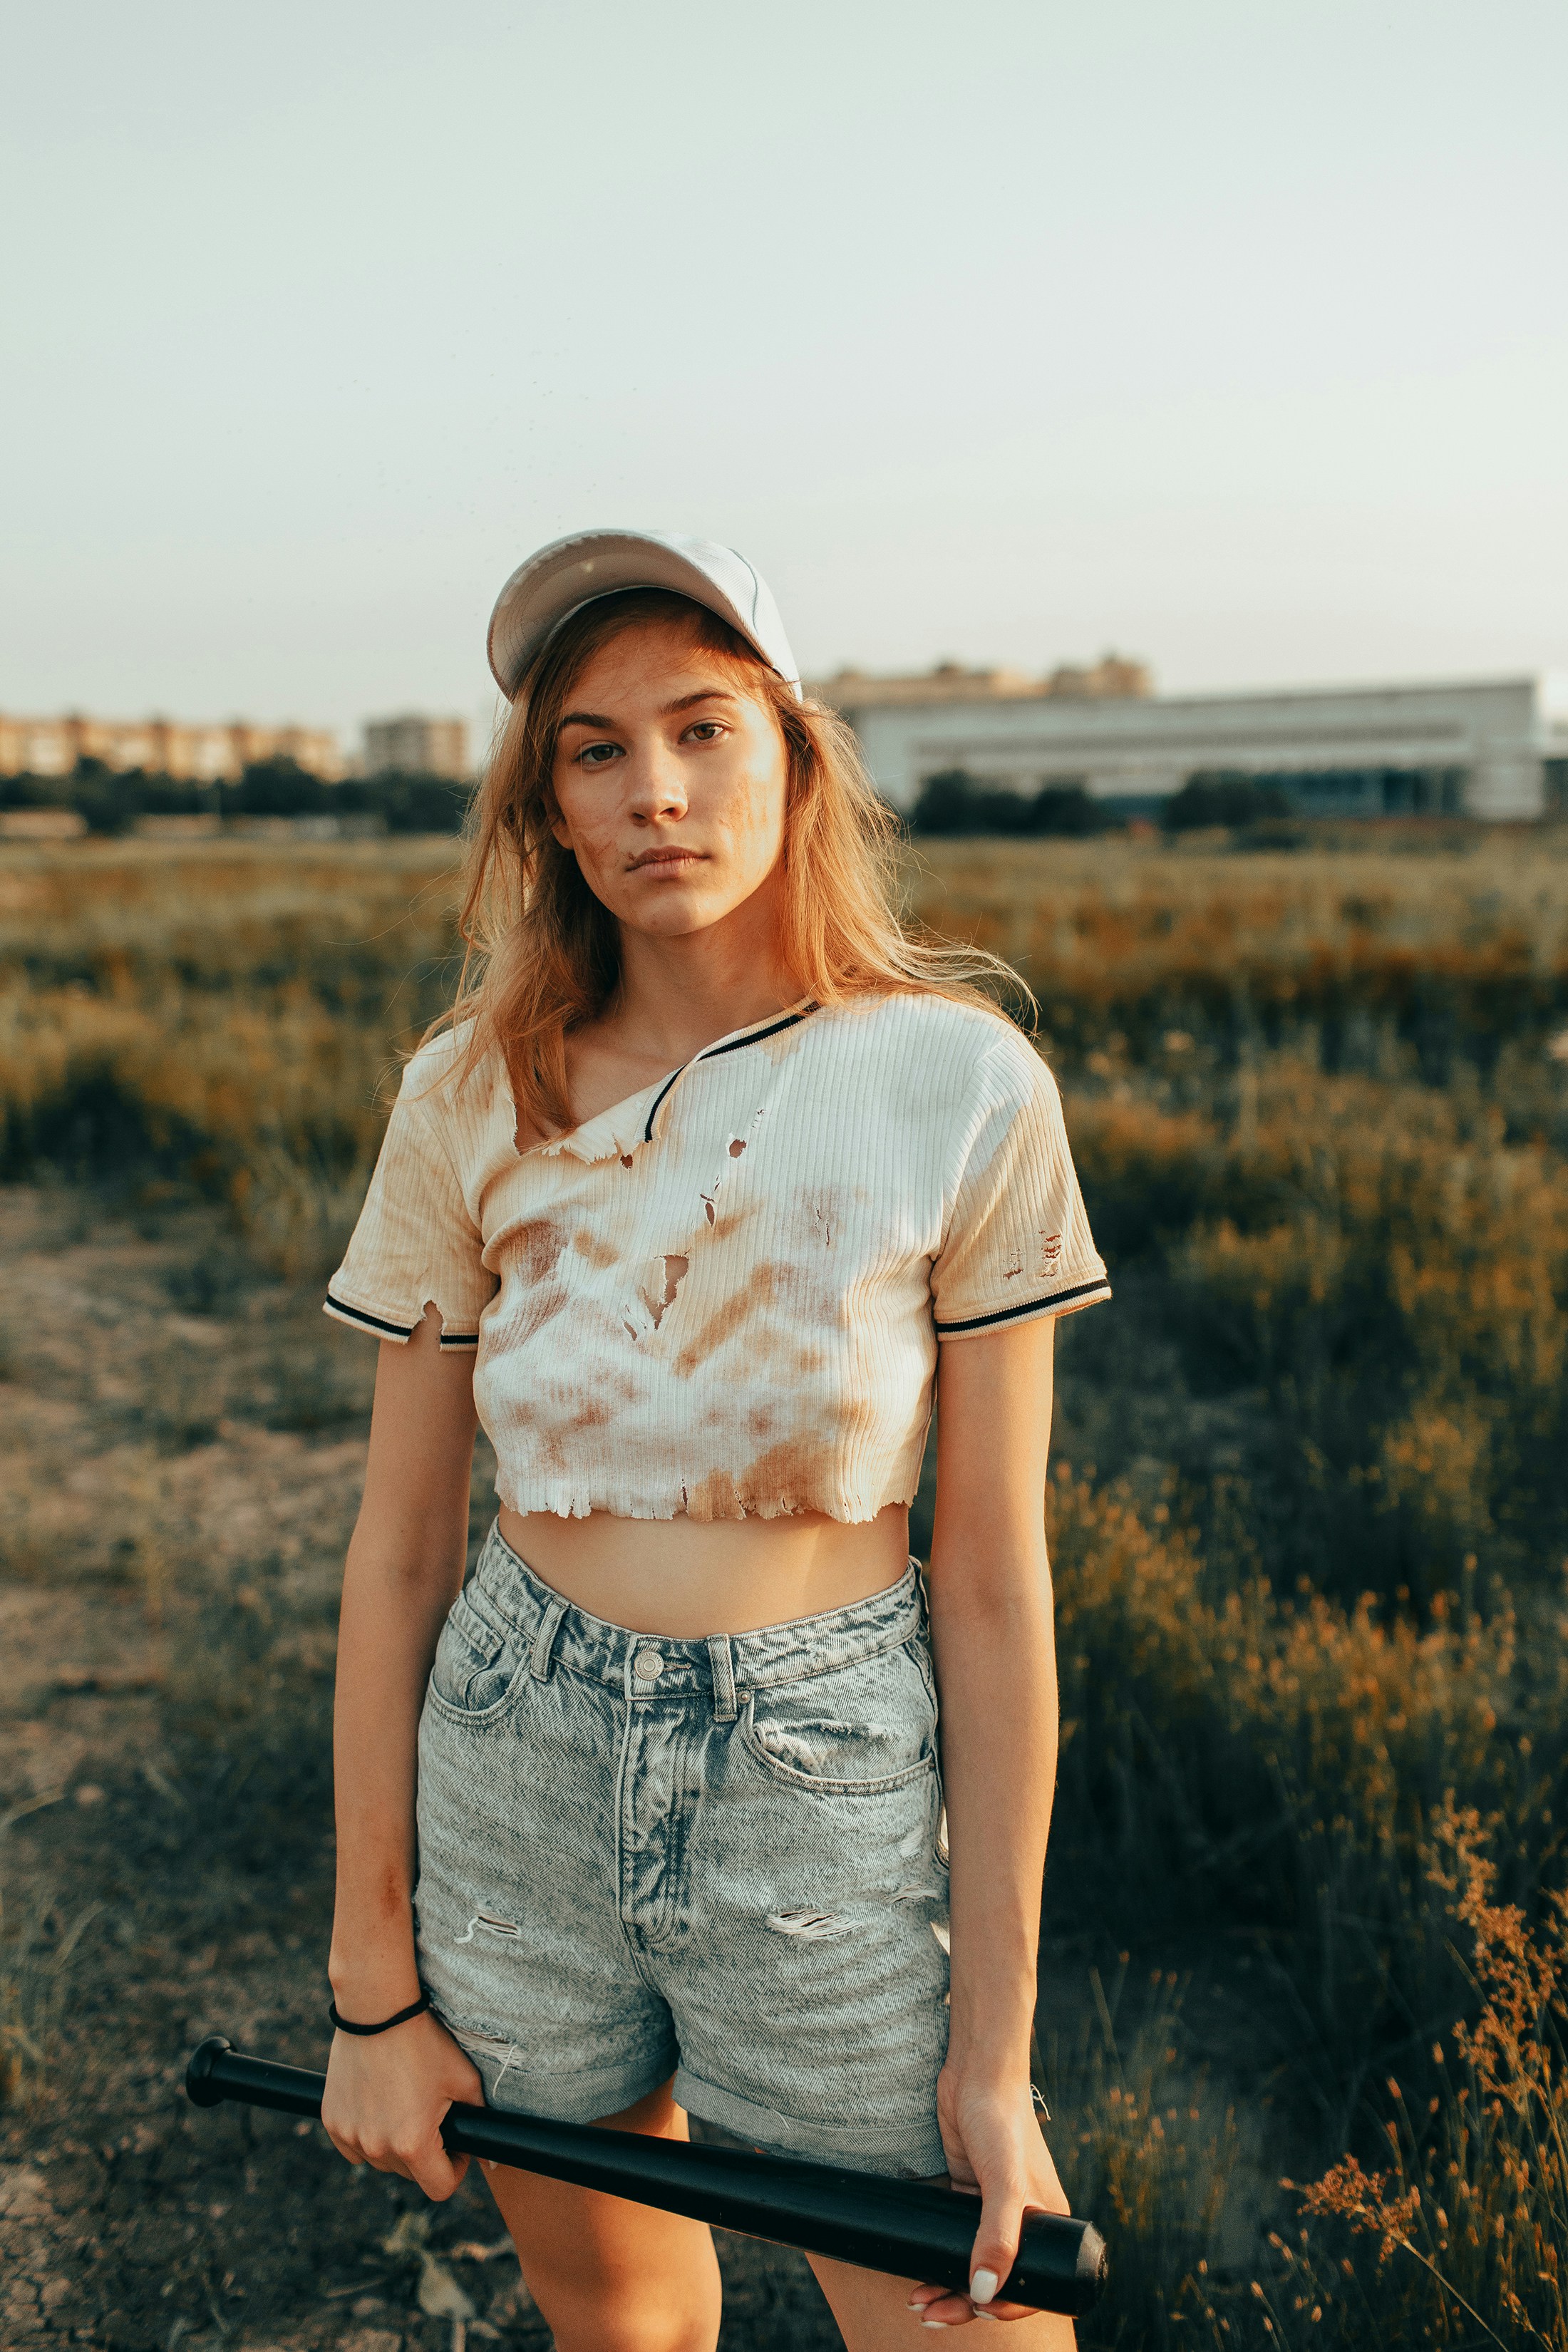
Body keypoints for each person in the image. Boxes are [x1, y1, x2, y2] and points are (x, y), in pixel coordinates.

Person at [319, 530, 1111, 2348]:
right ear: (548, 808)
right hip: (513, 1747)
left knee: (977, 2320)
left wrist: (991, 2057)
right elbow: (399, 1549)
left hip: (815, 1762)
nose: (652, 792)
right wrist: (373, 1983)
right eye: (592, 749)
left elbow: (988, 1577)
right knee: (621, 2318)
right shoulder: (470, 1087)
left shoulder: (954, 1079)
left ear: (794, 755)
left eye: (699, 728)